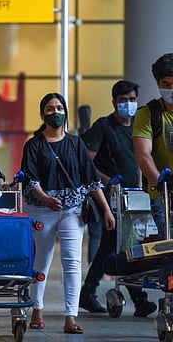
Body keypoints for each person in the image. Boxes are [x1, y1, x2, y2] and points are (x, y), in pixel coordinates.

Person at [21, 92, 115, 334]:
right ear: (42, 114)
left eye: (59, 108)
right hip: (41, 209)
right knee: (41, 260)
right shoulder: (34, 145)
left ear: (65, 111)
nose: (55, 113)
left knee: (72, 262)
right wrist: (45, 198)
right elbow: (30, 180)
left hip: (72, 210)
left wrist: (106, 210)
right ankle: (37, 308)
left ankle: (70, 316)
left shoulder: (76, 144)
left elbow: (92, 181)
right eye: (50, 109)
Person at [79, 80, 157, 317]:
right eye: (123, 100)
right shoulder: (104, 127)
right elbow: (85, 161)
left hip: (136, 197)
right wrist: (107, 181)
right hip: (113, 197)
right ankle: (137, 298)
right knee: (123, 244)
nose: (128, 104)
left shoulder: (139, 128)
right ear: (114, 102)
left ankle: (91, 292)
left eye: (132, 100)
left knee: (117, 245)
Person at [133, 53, 173, 242]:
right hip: (162, 196)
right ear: (158, 84)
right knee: (169, 246)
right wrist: (162, 182)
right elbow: (143, 153)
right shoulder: (148, 114)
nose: (171, 88)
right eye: (166, 84)